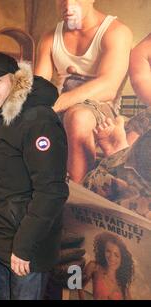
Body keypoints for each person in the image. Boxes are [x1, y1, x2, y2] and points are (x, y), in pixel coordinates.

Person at [0, 52, 69, 300]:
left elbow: (51, 191)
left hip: (26, 250)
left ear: (16, 81)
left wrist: (24, 247)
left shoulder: (38, 118)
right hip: (1, 244)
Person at [35, 0, 133, 183]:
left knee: (78, 117)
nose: (68, 4)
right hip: (59, 105)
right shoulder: (49, 37)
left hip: (100, 107)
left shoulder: (115, 32)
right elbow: (37, 86)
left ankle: (77, 197)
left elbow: (108, 86)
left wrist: (53, 106)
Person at [79, 232, 134, 300]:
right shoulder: (94, 267)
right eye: (108, 251)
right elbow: (80, 286)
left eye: (116, 255)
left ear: (122, 260)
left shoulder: (123, 286)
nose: (112, 258)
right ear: (103, 251)